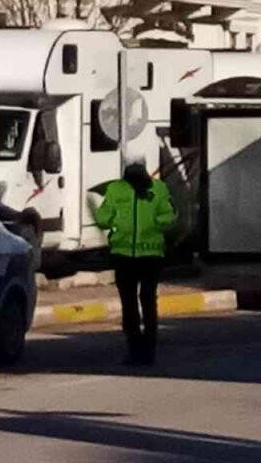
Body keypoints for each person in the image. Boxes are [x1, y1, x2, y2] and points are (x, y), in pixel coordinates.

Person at [93, 154, 176, 365]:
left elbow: (103, 219)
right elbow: (170, 216)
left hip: (126, 256)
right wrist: (157, 222)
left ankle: (135, 349)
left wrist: (112, 221)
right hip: (148, 256)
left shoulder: (116, 189)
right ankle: (147, 350)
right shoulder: (157, 188)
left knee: (130, 304)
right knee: (147, 301)